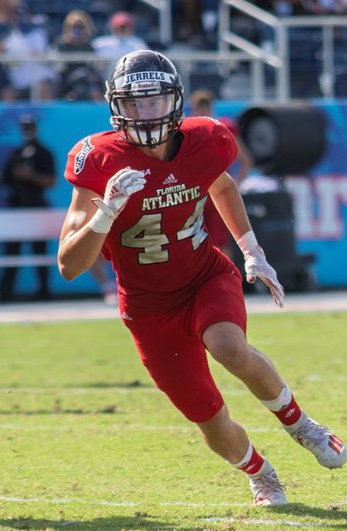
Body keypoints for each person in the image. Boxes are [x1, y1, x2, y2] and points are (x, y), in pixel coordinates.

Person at [58, 50, 346, 506]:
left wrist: (253, 251)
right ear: (116, 106)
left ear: (175, 102)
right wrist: (105, 214)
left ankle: (302, 425)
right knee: (208, 418)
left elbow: (222, 185)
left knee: (228, 345)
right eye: (134, 103)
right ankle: (261, 472)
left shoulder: (204, 139)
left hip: (204, 275)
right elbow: (69, 266)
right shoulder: (97, 159)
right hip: (148, 307)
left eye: (154, 101)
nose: (145, 113)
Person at [0, 114, 56, 301]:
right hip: (16, 207)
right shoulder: (16, 153)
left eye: (30, 127)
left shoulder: (44, 152)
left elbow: (51, 181)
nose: (27, 131)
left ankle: (44, 292)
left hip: (36, 206)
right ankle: (6, 293)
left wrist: (30, 176)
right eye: (24, 127)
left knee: (39, 251)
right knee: (12, 251)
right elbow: (7, 180)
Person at [190, 88, 254, 255]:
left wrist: (235, 186)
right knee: (194, 242)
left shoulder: (222, 128)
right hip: (197, 193)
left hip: (216, 190)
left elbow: (245, 160)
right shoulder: (188, 131)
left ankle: (226, 279)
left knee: (221, 242)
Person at [93, 11, 148, 81]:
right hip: (104, 82)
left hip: (130, 81)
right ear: (112, 28)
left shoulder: (138, 44)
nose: (121, 30)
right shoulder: (100, 43)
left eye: (124, 27)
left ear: (131, 28)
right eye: (117, 27)